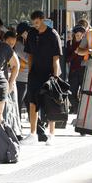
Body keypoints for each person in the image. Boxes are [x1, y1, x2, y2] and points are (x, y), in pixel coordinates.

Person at [21, 11, 63, 146]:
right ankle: (33, 134)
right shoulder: (32, 33)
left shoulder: (52, 34)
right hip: (35, 73)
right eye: (33, 23)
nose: (35, 25)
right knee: (33, 102)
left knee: (50, 102)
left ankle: (52, 134)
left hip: (50, 74)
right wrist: (30, 72)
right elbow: (30, 55)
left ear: (43, 19)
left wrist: (55, 78)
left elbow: (56, 58)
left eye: (37, 22)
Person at [66, 26, 86, 114]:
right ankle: (78, 109)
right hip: (73, 72)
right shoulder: (70, 44)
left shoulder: (86, 44)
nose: (78, 37)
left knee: (84, 93)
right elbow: (67, 59)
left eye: (80, 35)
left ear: (83, 35)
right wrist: (75, 52)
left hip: (83, 71)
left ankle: (80, 111)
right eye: (77, 35)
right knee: (71, 94)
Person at [14, 23, 30, 114]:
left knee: (29, 103)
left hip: (28, 77)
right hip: (21, 77)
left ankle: (38, 126)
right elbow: (28, 58)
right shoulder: (19, 45)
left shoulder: (26, 42)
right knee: (19, 102)